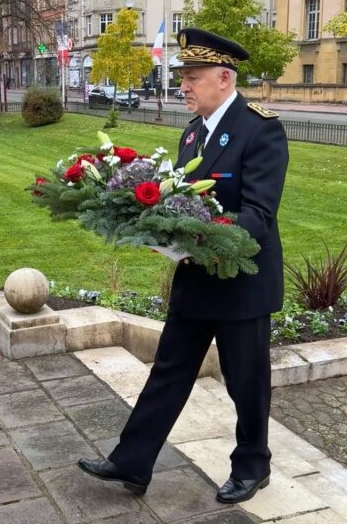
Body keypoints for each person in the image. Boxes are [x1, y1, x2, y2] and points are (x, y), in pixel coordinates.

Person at [77, 27, 288, 504]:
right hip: (195, 278)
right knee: (169, 370)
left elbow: (259, 214)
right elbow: (182, 204)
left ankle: (253, 467)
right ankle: (132, 461)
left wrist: (204, 240)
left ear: (224, 77)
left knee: (246, 382)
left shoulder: (261, 128)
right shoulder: (192, 132)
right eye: (183, 78)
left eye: (192, 77)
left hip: (241, 282)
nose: (183, 86)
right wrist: (163, 233)